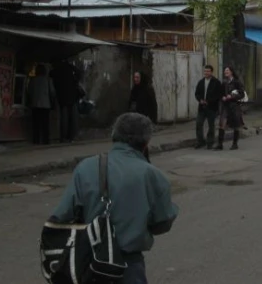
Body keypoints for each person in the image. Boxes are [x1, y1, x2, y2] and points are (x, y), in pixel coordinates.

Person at [49, 113, 179, 283]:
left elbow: (62, 217)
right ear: (146, 143)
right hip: (128, 266)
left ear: (114, 136)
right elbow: (163, 223)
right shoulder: (153, 176)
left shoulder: (85, 168)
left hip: (88, 264)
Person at [51, 61, 82, 143]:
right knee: (73, 118)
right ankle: (72, 136)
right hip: (72, 97)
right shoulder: (70, 72)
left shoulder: (57, 72)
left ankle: (64, 137)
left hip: (62, 98)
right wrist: (72, 66)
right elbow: (79, 74)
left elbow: (51, 75)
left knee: (64, 119)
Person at [26, 64, 57, 145]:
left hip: (35, 104)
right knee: (45, 124)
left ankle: (36, 140)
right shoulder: (48, 80)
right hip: (46, 105)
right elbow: (52, 92)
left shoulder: (33, 80)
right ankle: (45, 140)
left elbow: (29, 91)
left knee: (36, 124)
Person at [194, 64, 222, 149]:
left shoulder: (216, 82)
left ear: (211, 72)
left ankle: (210, 142)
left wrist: (209, 101)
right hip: (202, 108)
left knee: (211, 126)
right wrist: (200, 100)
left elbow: (218, 95)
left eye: (208, 71)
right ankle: (200, 141)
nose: (206, 73)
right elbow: (197, 93)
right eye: (205, 71)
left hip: (212, 108)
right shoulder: (201, 82)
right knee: (199, 124)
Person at [218, 66, 245, 150]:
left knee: (235, 125)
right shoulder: (224, 82)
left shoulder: (237, 82)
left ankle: (235, 144)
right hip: (225, 106)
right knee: (222, 124)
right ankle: (220, 144)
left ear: (231, 72)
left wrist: (232, 96)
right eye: (225, 70)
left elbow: (242, 94)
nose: (225, 72)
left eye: (227, 70)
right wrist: (222, 97)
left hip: (234, 106)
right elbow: (220, 93)